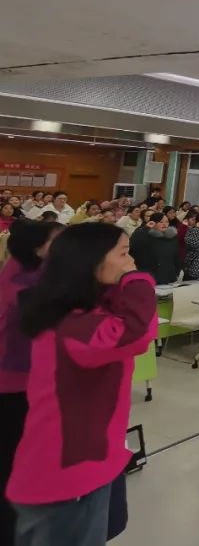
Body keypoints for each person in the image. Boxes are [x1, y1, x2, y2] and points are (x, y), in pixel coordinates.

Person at [6, 222, 156, 546]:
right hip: (70, 474)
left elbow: (121, 312)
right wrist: (136, 280)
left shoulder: (78, 312)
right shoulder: (75, 326)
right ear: (91, 262)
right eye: (124, 254)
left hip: (86, 463)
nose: (132, 262)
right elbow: (138, 331)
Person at [0, 221, 63, 546]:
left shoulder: (22, 270)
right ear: (38, 249)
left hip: (21, 385)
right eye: (58, 242)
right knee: (13, 466)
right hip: (14, 388)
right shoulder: (25, 287)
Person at [143, 214, 180, 286]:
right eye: (161, 222)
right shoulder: (147, 237)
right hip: (154, 278)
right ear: (153, 223)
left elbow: (176, 257)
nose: (164, 224)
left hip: (170, 277)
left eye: (166, 222)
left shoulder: (172, 237)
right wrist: (146, 228)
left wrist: (176, 271)